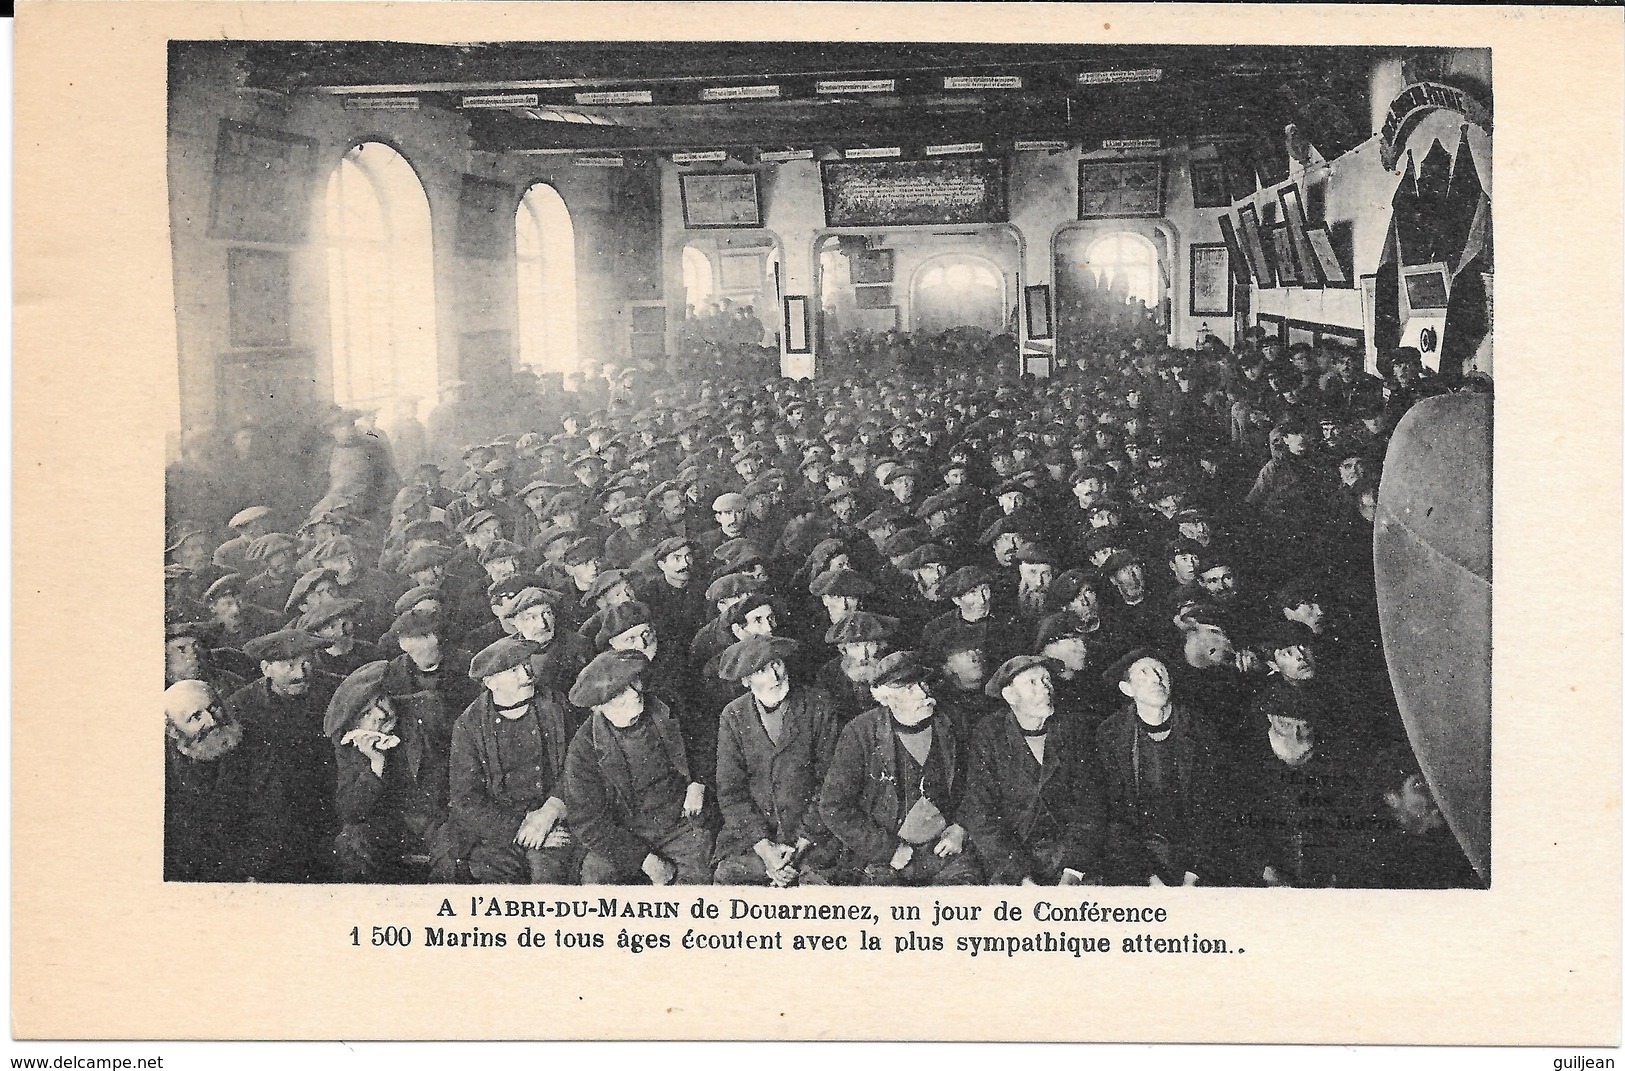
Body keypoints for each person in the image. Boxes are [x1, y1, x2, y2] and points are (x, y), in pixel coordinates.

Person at [819, 651, 982, 886]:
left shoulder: (952, 722)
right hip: (885, 859)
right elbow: (833, 807)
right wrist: (887, 850)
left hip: (945, 850)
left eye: (922, 684)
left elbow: (977, 785)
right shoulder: (861, 733)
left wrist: (960, 828)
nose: (923, 694)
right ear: (885, 698)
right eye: (908, 689)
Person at [563, 650, 714, 884]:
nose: (635, 694)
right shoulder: (583, 749)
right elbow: (588, 822)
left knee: (699, 878)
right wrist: (645, 860)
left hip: (680, 824)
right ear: (598, 706)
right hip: (625, 835)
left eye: (633, 682)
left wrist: (698, 782)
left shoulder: (667, 706)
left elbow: (706, 742)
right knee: (595, 882)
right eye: (621, 692)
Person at [450, 636, 585, 883]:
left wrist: (550, 812)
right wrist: (520, 827)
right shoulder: (470, 725)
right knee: (494, 879)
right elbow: (465, 799)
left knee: (549, 878)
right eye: (514, 670)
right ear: (491, 683)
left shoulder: (555, 705)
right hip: (499, 832)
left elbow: (577, 769)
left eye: (526, 663)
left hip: (555, 821)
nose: (527, 673)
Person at [963, 655, 1105, 885]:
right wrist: (1020, 876)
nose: (1045, 689)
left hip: (1070, 859)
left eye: (1046, 680)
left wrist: (1073, 870)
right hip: (1013, 860)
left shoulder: (1074, 730)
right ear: (1010, 696)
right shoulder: (989, 734)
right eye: (1032, 682)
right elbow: (981, 814)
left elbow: (1090, 809)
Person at [1094, 649, 1232, 886]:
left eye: (1160, 671)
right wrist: (1148, 878)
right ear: (1127, 689)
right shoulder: (1111, 734)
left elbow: (1214, 808)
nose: (1156, 679)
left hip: (1197, 855)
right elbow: (1115, 817)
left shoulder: (1200, 728)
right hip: (1138, 858)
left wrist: (1193, 874)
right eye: (1143, 674)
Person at [712, 635, 842, 886]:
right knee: (729, 876)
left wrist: (800, 845)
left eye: (777, 664)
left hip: (813, 833)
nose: (775, 676)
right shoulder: (733, 715)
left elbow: (831, 784)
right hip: (755, 838)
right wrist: (765, 849)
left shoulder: (818, 705)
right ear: (746, 680)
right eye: (762, 670)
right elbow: (731, 793)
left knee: (817, 885)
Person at [325, 657, 460, 883]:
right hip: (393, 824)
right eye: (366, 714)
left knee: (454, 852)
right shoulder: (349, 744)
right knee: (351, 842)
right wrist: (375, 765)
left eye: (380, 700)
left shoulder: (428, 708)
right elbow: (350, 811)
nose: (381, 714)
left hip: (441, 817)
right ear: (353, 727)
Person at [231, 629, 344, 881]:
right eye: (289, 666)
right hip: (274, 812)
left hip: (331, 803)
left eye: (306, 663)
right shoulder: (241, 706)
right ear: (266, 668)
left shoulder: (337, 690)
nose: (300, 674)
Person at [163, 679, 288, 882]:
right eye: (196, 717)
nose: (212, 721)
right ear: (173, 731)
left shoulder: (256, 743)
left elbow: (270, 818)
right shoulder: (161, 765)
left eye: (214, 708)